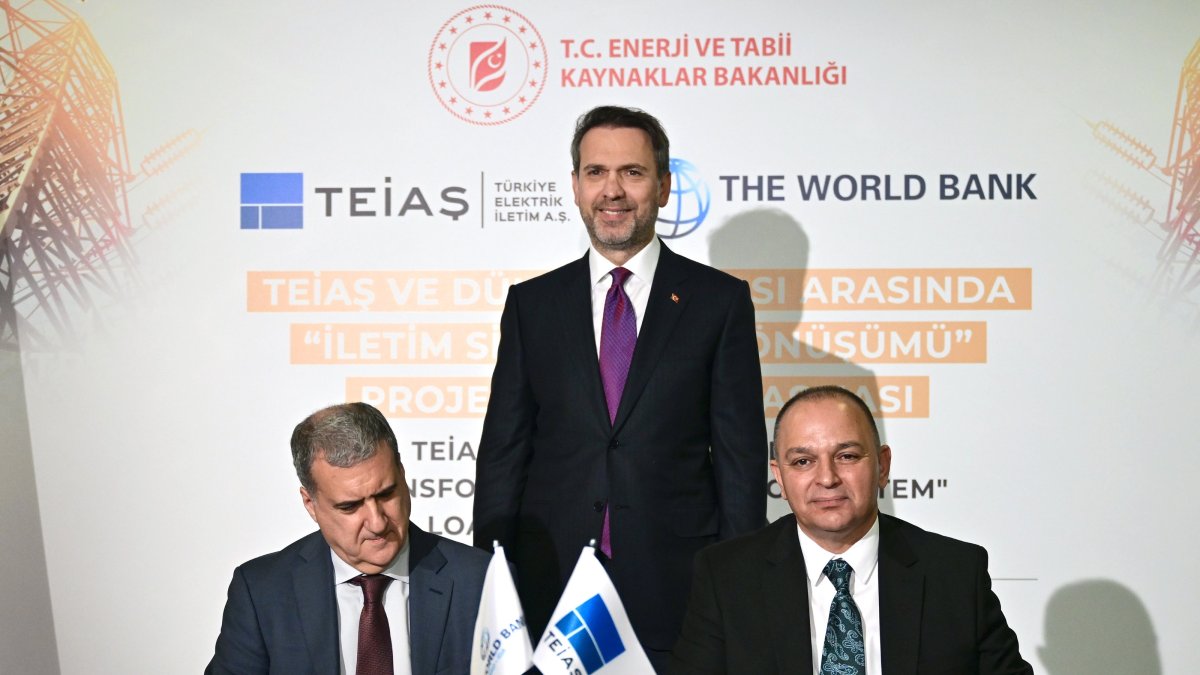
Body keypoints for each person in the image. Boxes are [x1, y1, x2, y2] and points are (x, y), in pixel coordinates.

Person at [474, 105, 766, 668]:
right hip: (548, 586)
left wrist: (737, 585)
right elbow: (504, 452)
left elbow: (740, 460)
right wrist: (489, 580)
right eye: (596, 172)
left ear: (663, 186)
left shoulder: (719, 302)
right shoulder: (533, 306)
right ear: (576, 187)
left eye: (632, 172)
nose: (612, 190)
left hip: (677, 590)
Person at [671, 386, 1033, 674]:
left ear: (882, 465)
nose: (827, 478)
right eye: (803, 461)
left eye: (846, 456)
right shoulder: (726, 576)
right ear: (779, 477)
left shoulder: (954, 572)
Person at [207, 402, 489, 675]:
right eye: (350, 506)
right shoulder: (262, 592)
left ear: (403, 476)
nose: (377, 523)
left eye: (386, 494)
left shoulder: (481, 581)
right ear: (310, 504)